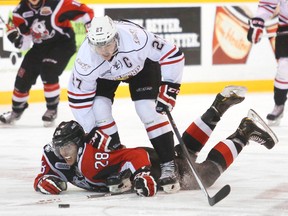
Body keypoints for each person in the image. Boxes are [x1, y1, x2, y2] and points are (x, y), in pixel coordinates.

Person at [34, 86, 278, 197]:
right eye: (61, 148)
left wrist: (142, 175)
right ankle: (218, 107)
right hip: (152, 160)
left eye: (67, 147)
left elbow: (132, 156)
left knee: (201, 176)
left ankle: (244, 133)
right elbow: (47, 169)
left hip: (152, 165)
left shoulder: (89, 160)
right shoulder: (58, 156)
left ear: (78, 143)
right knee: (186, 152)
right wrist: (43, 180)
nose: (64, 153)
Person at [67, 15, 185, 191]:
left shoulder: (137, 39)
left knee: (147, 109)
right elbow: (78, 99)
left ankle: (168, 164)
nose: (104, 51)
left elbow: (173, 54)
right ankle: (116, 163)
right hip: (106, 75)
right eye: (98, 46)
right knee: (99, 108)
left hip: (142, 67)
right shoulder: (86, 60)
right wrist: (92, 130)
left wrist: (170, 88)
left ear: (116, 38)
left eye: (107, 44)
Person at [0, 0, 94, 127]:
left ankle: (51, 109)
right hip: (40, 47)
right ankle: (15, 111)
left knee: (48, 70)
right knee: (22, 77)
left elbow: (87, 12)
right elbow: (25, 44)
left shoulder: (57, 3)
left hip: (63, 44)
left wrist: (91, 31)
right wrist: (15, 38)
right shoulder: (19, 12)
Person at [247, 0, 288, 126]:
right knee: (284, 67)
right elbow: (267, 5)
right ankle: (279, 104)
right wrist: (258, 22)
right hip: (285, 27)